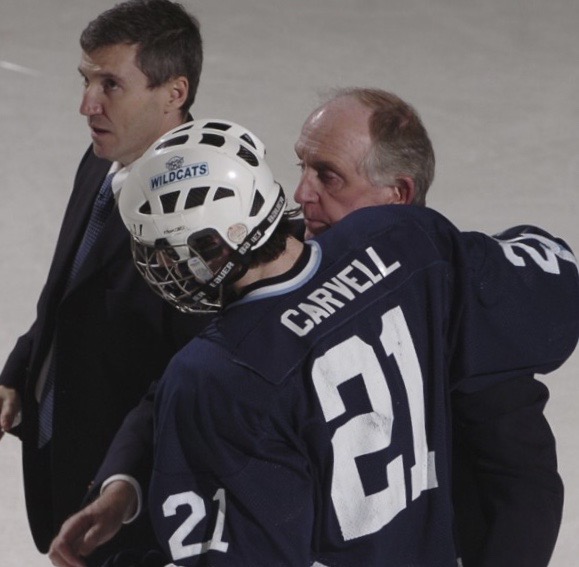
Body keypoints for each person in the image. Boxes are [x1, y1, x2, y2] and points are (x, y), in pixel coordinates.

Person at [115, 120, 578, 566]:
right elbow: (552, 292)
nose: (161, 265)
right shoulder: (404, 240)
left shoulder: (212, 375)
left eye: (162, 251)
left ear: (214, 246)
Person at [293, 87, 568, 566]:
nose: (302, 193)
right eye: (302, 165)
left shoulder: (459, 305)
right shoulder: (285, 271)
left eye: (328, 176)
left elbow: (525, 491)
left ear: (398, 195)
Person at [0, 2, 208, 566]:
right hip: (64, 458)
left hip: (124, 504)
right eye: (87, 79)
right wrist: (20, 370)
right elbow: (67, 290)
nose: (87, 104)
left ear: (174, 93)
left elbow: (193, 385)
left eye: (111, 84)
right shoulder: (103, 159)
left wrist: (125, 485)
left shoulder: (200, 219)